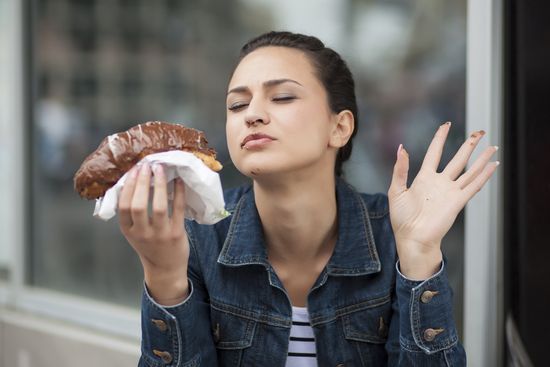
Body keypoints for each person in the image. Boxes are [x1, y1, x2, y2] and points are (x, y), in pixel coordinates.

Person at [118, 31, 498, 366]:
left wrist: (419, 255)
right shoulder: (199, 237)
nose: (252, 114)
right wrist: (164, 277)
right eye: (237, 105)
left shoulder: (396, 235)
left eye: (282, 97)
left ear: (340, 127)